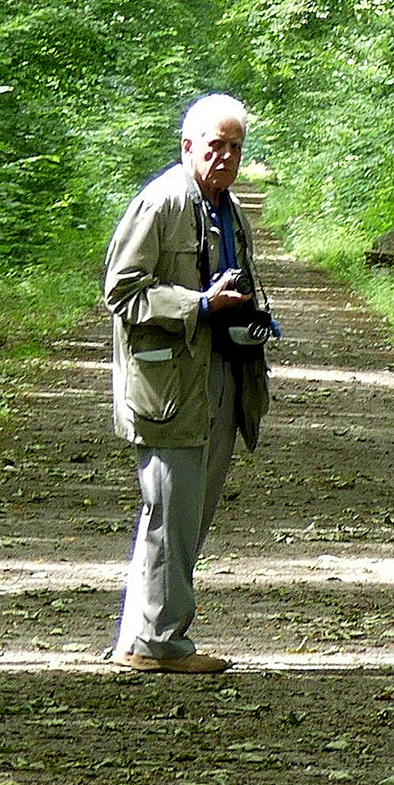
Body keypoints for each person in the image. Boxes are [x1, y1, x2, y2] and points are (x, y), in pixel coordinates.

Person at [103, 93, 271, 674]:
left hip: (219, 374)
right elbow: (122, 292)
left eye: (235, 147)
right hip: (168, 384)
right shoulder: (162, 201)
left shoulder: (226, 206)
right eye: (215, 145)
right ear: (188, 146)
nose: (225, 157)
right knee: (169, 511)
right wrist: (198, 304)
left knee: (184, 515)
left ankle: (142, 636)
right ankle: (159, 644)